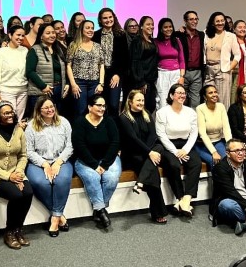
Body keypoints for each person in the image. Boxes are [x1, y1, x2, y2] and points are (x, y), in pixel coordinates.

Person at [0, 100, 33, 249]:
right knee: (16, 195)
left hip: (16, 171)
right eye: (6, 113)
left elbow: (23, 155)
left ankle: (18, 229)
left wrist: (18, 173)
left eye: (11, 112)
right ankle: (9, 232)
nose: (10, 115)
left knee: (28, 193)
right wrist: (8, 177)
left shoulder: (18, 130)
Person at [25, 96, 74, 236]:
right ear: (39, 110)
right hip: (39, 162)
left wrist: (58, 162)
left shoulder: (64, 122)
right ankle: (59, 216)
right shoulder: (31, 126)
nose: (50, 110)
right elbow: (29, 151)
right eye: (46, 108)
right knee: (40, 182)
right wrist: (45, 164)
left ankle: (55, 219)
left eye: (52, 106)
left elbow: (70, 146)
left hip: (61, 160)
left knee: (62, 180)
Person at [118, 90, 168, 224]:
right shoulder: (124, 118)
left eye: (142, 100)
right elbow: (133, 139)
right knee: (154, 173)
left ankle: (140, 182)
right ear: (130, 102)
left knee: (159, 147)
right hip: (132, 154)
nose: (141, 103)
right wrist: (149, 153)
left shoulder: (147, 114)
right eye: (138, 100)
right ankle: (158, 213)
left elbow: (152, 135)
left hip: (147, 152)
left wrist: (149, 152)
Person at [72, 94, 121, 229]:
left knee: (111, 178)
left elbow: (115, 143)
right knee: (93, 178)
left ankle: (99, 209)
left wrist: (104, 164)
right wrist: (94, 165)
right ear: (89, 107)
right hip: (85, 161)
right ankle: (101, 211)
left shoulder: (109, 121)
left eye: (104, 106)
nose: (102, 108)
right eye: (99, 105)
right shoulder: (80, 122)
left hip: (108, 159)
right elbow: (79, 146)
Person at [155, 84, 202, 217]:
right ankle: (180, 197)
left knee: (196, 163)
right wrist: (175, 152)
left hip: (186, 145)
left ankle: (186, 199)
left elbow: (194, 133)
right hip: (168, 145)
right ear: (171, 95)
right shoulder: (162, 112)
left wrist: (185, 150)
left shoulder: (191, 112)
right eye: (179, 93)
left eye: (184, 93)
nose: (182, 95)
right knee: (173, 165)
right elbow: (161, 135)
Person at [26, 23, 69, 117]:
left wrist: (67, 83)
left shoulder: (58, 50)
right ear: (41, 36)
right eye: (48, 33)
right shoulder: (35, 50)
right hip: (40, 91)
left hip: (58, 90)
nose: (52, 35)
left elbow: (64, 69)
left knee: (55, 119)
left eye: (53, 32)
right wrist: (43, 86)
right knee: (40, 120)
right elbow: (29, 71)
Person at [0, 24, 29, 121]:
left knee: (19, 118)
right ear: (10, 35)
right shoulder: (1, 52)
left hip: (23, 90)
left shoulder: (25, 50)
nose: (20, 38)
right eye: (18, 35)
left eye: (23, 36)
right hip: (6, 90)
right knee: (8, 117)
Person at [93, 8, 128, 118]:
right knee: (101, 104)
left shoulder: (121, 35)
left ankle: (114, 127)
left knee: (113, 104)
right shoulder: (95, 35)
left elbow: (124, 58)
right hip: (99, 75)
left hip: (115, 74)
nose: (108, 20)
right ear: (100, 20)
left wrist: (118, 74)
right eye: (105, 18)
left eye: (110, 17)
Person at [67, 19, 105, 118]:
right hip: (79, 83)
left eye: (92, 28)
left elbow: (101, 65)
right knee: (81, 110)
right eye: (87, 28)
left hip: (94, 83)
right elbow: (68, 66)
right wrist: (73, 85)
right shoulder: (73, 45)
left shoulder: (97, 46)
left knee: (94, 111)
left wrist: (101, 83)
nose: (91, 30)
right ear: (81, 30)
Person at [203, 11, 240, 108]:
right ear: (213, 23)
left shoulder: (230, 36)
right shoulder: (206, 34)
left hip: (222, 69)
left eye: (222, 21)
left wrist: (229, 68)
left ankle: (223, 117)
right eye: (217, 21)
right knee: (208, 98)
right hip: (208, 69)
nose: (220, 23)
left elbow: (237, 55)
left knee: (222, 100)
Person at [195, 85, 232, 168]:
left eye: (215, 92)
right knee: (214, 161)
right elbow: (202, 133)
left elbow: (226, 128)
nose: (214, 94)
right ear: (205, 97)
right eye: (210, 93)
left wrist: (230, 145)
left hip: (218, 142)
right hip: (202, 144)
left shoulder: (221, 106)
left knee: (227, 160)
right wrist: (214, 152)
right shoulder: (200, 108)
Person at [176, 10, 205, 109]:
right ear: (185, 21)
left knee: (195, 101)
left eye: (196, 19)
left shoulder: (202, 35)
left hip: (197, 73)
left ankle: (193, 119)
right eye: (191, 19)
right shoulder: (179, 35)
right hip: (183, 72)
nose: (194, 21)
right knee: (181, 99)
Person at [154, 17, 185, 110]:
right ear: (161, 29)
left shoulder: (177, 41)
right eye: (165, 27)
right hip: (162, 73)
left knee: (176, 100)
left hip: (176, 74)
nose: (168, 29)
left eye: (170, 26)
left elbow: (182, 60)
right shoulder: (156, 42)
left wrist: (182, 77)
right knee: (162, 101)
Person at [129, 16, 158, 113]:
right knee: (142, 107)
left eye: (152, 24)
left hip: (151, 80)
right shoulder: (137, 41)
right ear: (141, 26)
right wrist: (141, 81)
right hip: (142, 81)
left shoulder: (152, 41)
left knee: (151, 106)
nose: (151, 26)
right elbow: (135, 62)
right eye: (148, 24)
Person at [230, 20, 246, 104]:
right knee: (235, 95)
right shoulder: (231, 41)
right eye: (240, 27)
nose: (242, 29)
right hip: (236, 74)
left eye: (244, 27)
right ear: (234, 29)